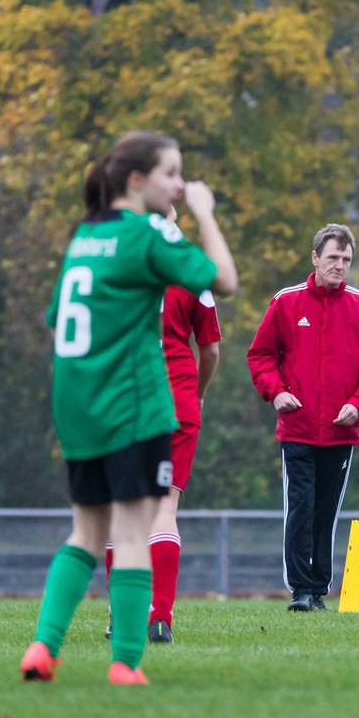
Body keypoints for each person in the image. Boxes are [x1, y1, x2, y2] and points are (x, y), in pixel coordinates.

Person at [20, 131, 237, 685]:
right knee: (137, 534)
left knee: (85, 536)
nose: (180, 184)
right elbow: (225, 282)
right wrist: (204, 213)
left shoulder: (83, 237)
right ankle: (126, 663)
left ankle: (43, 649)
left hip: (77, 406)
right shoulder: (145, 236)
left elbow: (56, 320)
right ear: (136, 181)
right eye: (171, 173)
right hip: (133, 406)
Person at [247, 224, 359, 612]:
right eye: (333, 258)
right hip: (297, 429)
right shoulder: (286, 302)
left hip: (341, 431)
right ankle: (300, 590)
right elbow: (260, 356)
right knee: (299, 505)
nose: (340, 266)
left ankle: (319, 589)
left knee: (325, 509)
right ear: (315, 258)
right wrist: (276, 392)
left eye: (346, 260)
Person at [103, 204, 223, 644]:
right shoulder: (191, 269)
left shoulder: (116, 263)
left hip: (129, 402)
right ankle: (159, 616)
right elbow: (210, 350)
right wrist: (199, 394)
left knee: (125, 510)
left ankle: (121, 616)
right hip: (177, 401)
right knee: (165, 510)